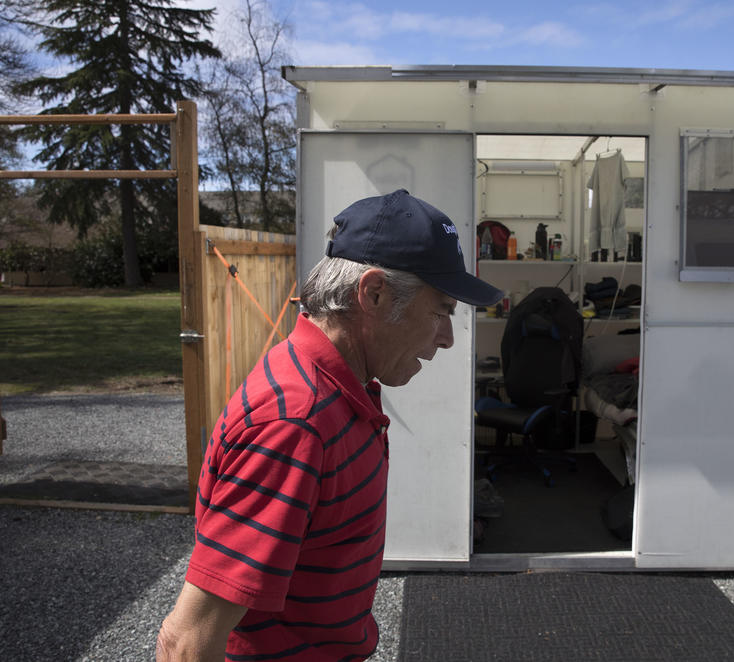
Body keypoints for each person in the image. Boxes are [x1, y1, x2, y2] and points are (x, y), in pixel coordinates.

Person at [157, 189, 502, 661]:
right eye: (442, 310)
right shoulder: (295, 424)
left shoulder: (344, 388)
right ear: (374, 293)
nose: (446, 338)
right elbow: (187, 641)